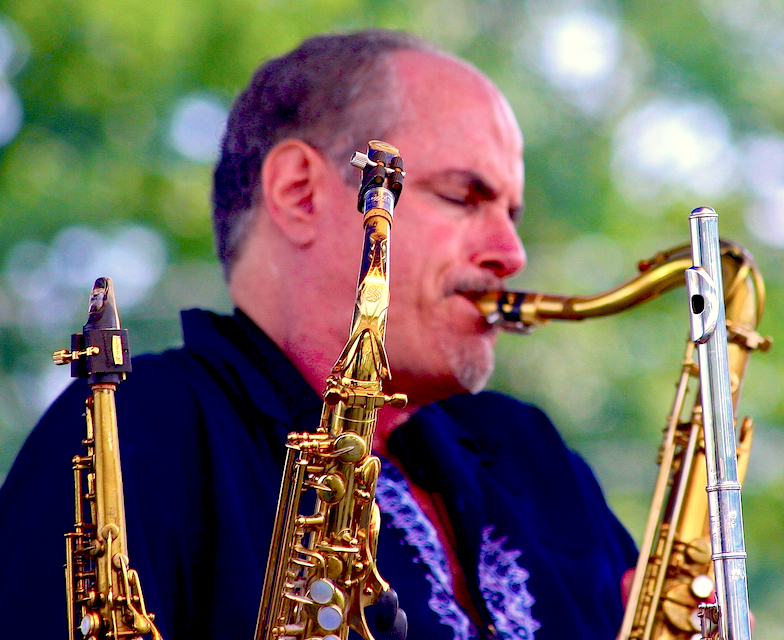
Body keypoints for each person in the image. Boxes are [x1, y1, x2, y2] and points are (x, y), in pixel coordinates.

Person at [0, 30, 636, 639]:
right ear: (300, 193)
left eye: (512, 212)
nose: (511, 253)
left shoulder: (536, 458)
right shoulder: (131, 431)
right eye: (463, 197)